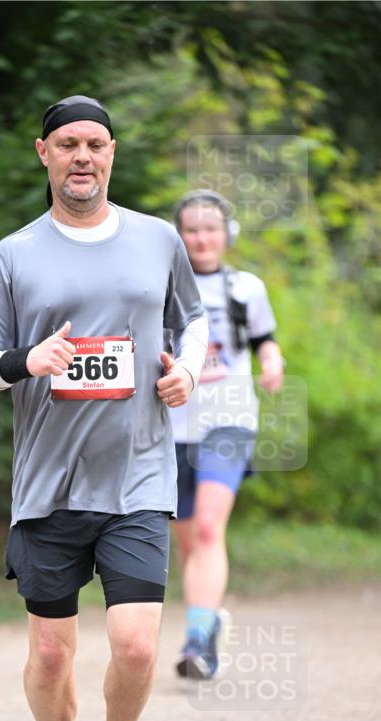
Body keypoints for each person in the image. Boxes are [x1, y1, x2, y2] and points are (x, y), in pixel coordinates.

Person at [0, 96, 208, 721]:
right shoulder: (12, 256)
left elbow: (193, 320)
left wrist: (188, 372)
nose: (82, 157)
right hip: (49, 487)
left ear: (111, 152)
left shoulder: (157, 240)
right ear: (44, 153)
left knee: (136, 647)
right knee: (50, 654)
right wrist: (23, 360)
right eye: (67, 143)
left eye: (94, 144)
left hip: (137, 478)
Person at [168, 190, 285, 681]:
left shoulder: (246, 287)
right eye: (192, 230)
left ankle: (197, 644)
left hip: (229, 419)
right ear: (178, 235)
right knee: (189, 542)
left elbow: (263, 338)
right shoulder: (161, 286)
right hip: (171, 426)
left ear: (227, 233)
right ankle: (208, 620)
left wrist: (272, 361)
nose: (202, 238)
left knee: (209, 529)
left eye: (211, 228)